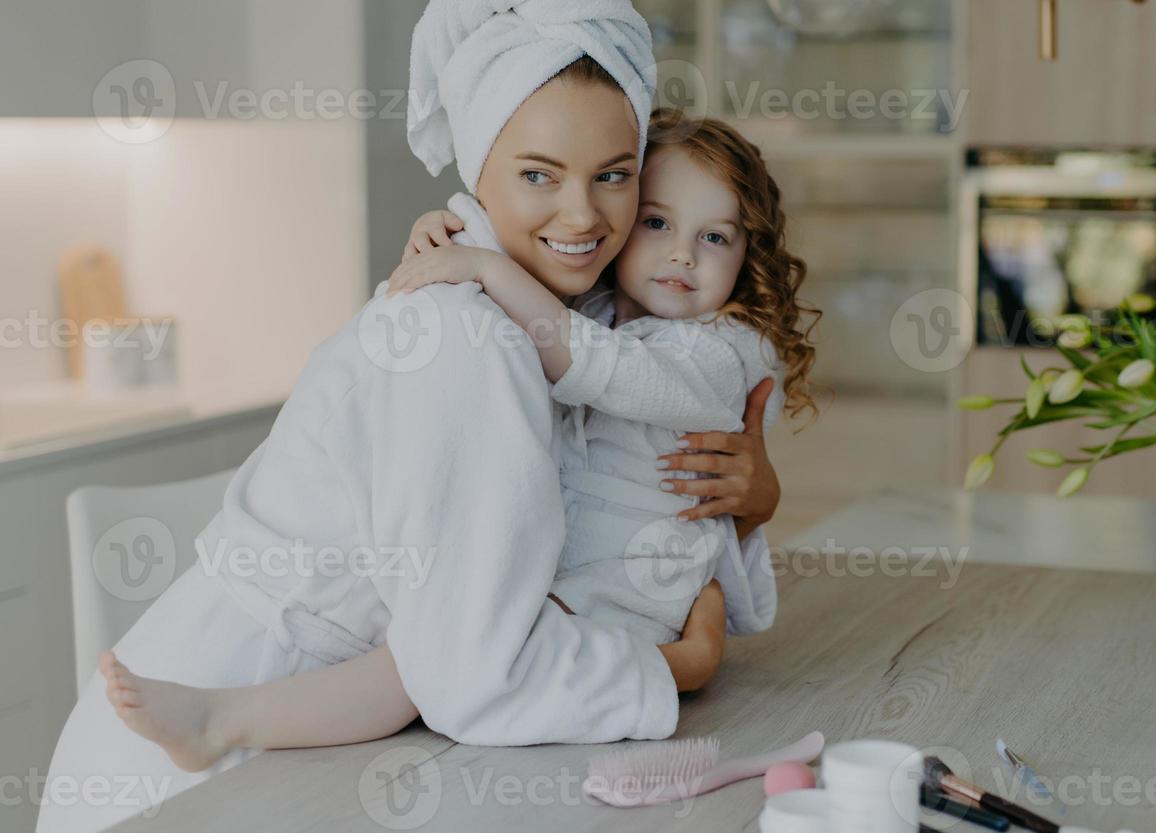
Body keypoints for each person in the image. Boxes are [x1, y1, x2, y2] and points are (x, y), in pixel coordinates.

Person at [33, 0, 780, 833]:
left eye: (615, 175)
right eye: (538, 174)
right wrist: (677, 663)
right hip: (186, 780)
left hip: (332, 739)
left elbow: (631, 441)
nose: (584, 215)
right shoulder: (469, 341)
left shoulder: (555, 308)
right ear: (480, 166)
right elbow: (477, 676)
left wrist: (752, 503)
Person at [96, 109, 820, 773]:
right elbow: (540, 301)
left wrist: (486, 267)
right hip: (564, 575)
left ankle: (227, 721)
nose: (683, 257)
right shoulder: (596, 308)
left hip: (626, 584)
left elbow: (608, 371)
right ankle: (223, 720)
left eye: (715, 237)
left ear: (748, 255)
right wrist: (454, 237)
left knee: (431, 673)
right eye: (658, 223)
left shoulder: (727, 349)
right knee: (427, 668)